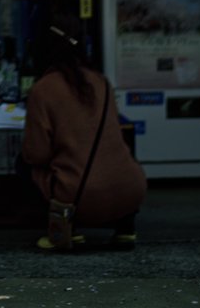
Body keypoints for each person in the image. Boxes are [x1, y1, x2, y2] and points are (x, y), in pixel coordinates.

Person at [19, 16, 147, 251]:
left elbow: (36, 154)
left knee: (26, 164)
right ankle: (125, 229)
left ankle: (66, 228)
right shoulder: (101, 82)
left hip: (81, 198)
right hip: (132, 190)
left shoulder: (43, 89)